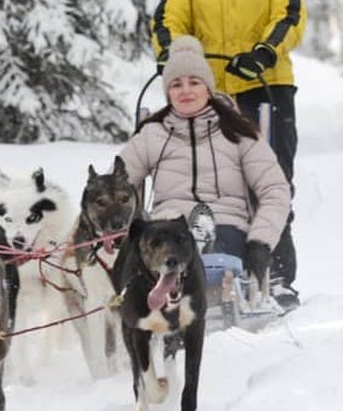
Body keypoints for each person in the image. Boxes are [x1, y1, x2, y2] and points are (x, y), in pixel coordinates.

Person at [150, 0, 306, 307]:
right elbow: (168, 19)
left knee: (269, 180)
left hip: (266, 85)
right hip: (204, 93)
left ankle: (276, 274)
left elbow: (290, 14)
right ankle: (203, 268)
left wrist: (262, 52)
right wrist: (179, 57)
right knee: (203, 183)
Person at [118, 36, 292, 290]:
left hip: (226, 224)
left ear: (208, 88)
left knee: (215, 247)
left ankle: (200, 247)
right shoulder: (152, 134)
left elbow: (275, 190)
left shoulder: (238, 132)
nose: (185, 90)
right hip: (167, 225)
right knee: (162, 245)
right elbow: (115, 188)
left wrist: (260, 242)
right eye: (176, 84)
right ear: (168, 92)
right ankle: (190, 251)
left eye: (194, 82)